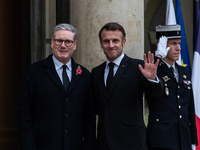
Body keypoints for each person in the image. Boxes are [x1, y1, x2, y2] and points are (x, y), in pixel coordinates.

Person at [18, 23, 95, 150]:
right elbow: (24, 115)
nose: (63, 45)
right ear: (52, 43)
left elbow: (89, 119)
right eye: (59, 41)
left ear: (75, 45)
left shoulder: (84, 75)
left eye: (68, 42)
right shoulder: (34, 72)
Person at [91, 22, 163, 150]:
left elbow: (155, 95)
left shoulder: (138, 67)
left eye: (115, 41)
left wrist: (152, 79)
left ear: (123, 43)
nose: (111, 45)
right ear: (101, 44)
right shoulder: (96, 72)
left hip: (132, 142)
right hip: (104, 142)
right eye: (106, 41)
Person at [146, 24, 198, 150]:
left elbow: (189, 106)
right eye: (173, 43)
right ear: (161, 45)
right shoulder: (152, 70)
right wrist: (157, 59)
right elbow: (152, 93)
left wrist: (193, 139)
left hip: (183, 138)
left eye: (179, 43)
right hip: (162, 140)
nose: (179, 48)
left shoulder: (183, 71)